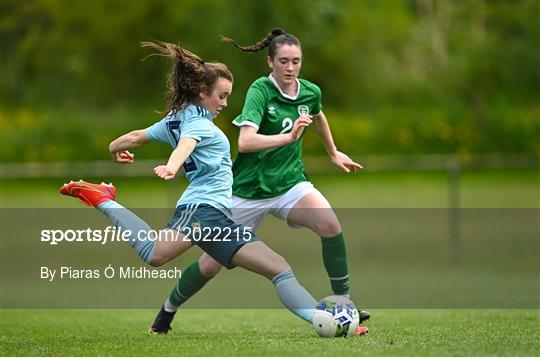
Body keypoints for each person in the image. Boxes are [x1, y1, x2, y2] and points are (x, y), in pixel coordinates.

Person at [60, 40, 319, 330]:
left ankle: (326, 320)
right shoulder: (199, 123)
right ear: (201, 92)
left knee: (279, 268)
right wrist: (172, 166)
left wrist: (114, 147)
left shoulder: (176, 118)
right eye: (221, 96)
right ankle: (104, 199)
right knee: (155, 254)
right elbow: (186, 144)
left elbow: (136, 136)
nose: (224, 104)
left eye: (227, 97)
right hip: (202, 211)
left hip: (216, 217)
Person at [150, 29, 369, 334]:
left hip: (290, 184)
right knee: (210, 264)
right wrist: (289, 137)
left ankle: (345, 304)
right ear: (270, 62)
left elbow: (317, 116)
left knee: (330, 224)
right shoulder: (260, 91)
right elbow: (246, 142)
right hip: (246, 190)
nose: (290, 67)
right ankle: (167, 310)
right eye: (284, 61)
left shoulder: (310, 92)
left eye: (296, 61)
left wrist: (333, 152)